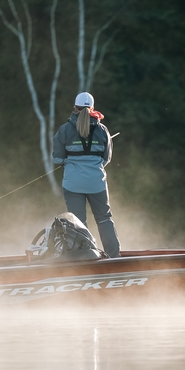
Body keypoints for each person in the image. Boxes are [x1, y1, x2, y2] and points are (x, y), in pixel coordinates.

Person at [52, 92, 121, 258]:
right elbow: (106, 159)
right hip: (96, 182)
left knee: (78, 223)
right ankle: (114, 257)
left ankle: (85, 259)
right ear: (92, 108)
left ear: (75, 107)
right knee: (104, 219)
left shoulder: (64, 130)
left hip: (72, 183)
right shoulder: (103, 130)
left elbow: (57, 158)